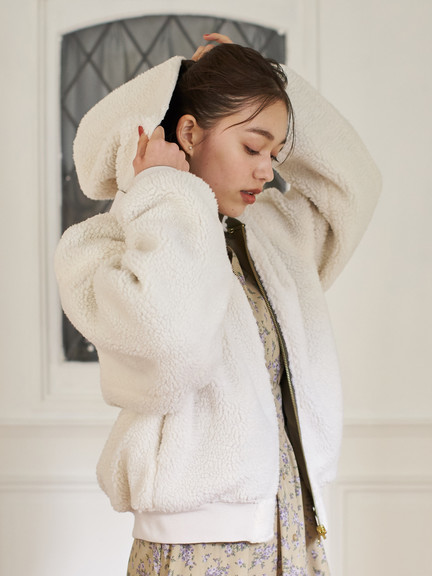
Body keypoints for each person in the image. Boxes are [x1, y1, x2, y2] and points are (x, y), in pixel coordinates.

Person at [55, 33, 381, 575]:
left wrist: (272, 82)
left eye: (275, 152)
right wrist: (164, 189)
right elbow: (172, 350)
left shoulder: (273, 236)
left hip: (294, 534)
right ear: (188, 133)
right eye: (252, 148)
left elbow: (354, 185)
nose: (267, 170)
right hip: (201, 552)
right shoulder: (103, 248)